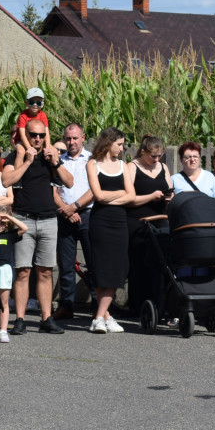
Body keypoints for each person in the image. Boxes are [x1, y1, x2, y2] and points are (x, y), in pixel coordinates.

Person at [2, 118, 74, 334]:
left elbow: (69, 182)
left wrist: (56, 162)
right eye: (33, 135)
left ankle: (46, 318)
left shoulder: (51, 156)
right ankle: (21, 319)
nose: (37, 139)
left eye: (41, 135)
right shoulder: (17, 155)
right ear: (26, 135)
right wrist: (26, 162)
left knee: (45, 272)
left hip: (48, 220)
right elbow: (7, 181)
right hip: (23, 219)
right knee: (23, 271)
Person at [86, 127, 134, 333]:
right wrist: (119, 194)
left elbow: (131, 195)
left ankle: (100, 316)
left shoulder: (123, 165)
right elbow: (97, 195)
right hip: (100, 222)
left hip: (119, 221)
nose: (122, 149)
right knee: (101, 269)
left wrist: (110, 197)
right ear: (108, 143)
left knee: (116, 268)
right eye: (119, 144)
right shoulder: (92, 164)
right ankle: (105, 316)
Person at [125, 136, 173, 312]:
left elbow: (169, 189)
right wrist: (151, 196)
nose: (157, 160)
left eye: (160, 156)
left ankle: (160, 304)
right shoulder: (132, 167)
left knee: (162, 259)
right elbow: (128, 199)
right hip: (137, 219)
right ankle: (137, 305)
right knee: (140, 262)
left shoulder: (163, 167)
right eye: (153, 156)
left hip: (160, 218)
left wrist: (168, 198)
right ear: (143, 151)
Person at [53, 124, 94, 320]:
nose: (71, 142)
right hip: (64, 216)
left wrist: (75, 207)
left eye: (75, 138)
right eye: (68, 139)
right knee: (66, 263)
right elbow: (52, 190)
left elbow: (95, 189)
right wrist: (66, 210)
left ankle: (97, 304)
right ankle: (66, 305)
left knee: (93, 262)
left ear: (83, 138)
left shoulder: (92, 159)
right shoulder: (58, 161)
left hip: (87, 214)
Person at [0, 205, 28, 345]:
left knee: (3, 302)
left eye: (3, 222)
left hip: (4, 269)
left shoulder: (9, 235)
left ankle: (3, 330)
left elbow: (24, 228)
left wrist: (9, 218)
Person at [13, 87, 56, 153]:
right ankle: (19, 163)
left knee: (54, 150)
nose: (35, 105)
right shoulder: (23, 116)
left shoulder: (43, 115)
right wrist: (29, 148)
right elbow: (22, 135)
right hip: (22, 141)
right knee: (21, 152)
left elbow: (46, 133)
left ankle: (56, 163)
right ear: (26, 103)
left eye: (38, 103)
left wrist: (47, 148)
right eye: (31, 102)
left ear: (42, 105)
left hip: (38, 140)